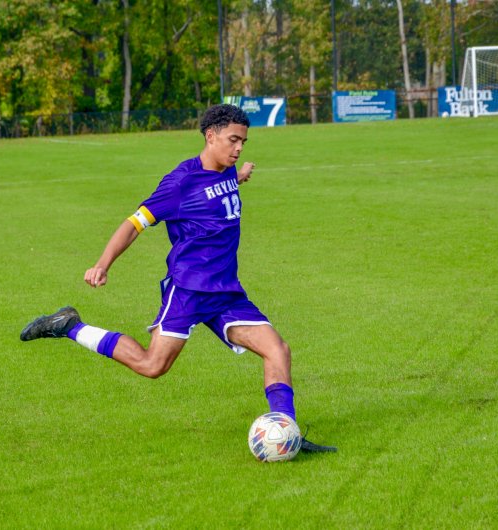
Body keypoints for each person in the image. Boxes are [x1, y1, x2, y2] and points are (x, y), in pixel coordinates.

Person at [20, 104, 335, 454]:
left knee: (277, 350)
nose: (239, 148)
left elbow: (220, 189)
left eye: (244, 141)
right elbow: (134, 223)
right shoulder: (180, 182)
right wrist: (102, 264)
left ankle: (286, 430)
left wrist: (240, 176)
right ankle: (69, 326)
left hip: (226, 292)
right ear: (210, 136)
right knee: (152, 365)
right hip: (188, 290)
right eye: (233, 140)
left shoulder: (227, 171)